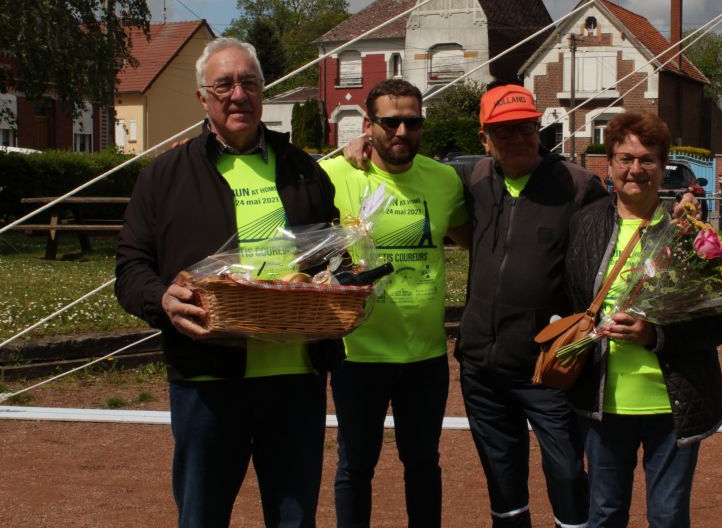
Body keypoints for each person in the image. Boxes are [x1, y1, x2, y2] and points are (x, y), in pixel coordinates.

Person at [115, 37, 340, 528]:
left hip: (294, 378)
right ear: (203, 98)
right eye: (224, 84)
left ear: (262, 91)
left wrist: (342, 280)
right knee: (202, 518)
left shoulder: (304, 170)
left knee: (295, 519)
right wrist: (161, 300)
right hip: (207, 381)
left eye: (249, 82)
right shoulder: (164, 176)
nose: (238, 95)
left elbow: (334, 257)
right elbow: (130, 268)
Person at [564, 111, 722, 528]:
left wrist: (655, 334)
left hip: (672, 403)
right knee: (605, 514)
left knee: (667, 517)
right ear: (608, 165)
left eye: (648, 159)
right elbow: (566, 299)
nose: (636, 169)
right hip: (603, 403)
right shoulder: (584, 226)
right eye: (625, 158)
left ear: (664, 167)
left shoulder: (692, 235)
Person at [452, 84, 609, 528]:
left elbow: (618, 239)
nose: (517, 138)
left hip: (549, 368)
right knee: (503, 482)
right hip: (482, 368)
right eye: (503, 131)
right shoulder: (475, 180)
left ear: (539, 129)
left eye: (525, 127)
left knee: (565, 474)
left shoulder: (578, 188)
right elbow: (410, 166)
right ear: (485, 138)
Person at [320, 78, 470, 528]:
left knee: (423, 464)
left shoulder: (444, 180)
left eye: (412, 121)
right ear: (369, 125)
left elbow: (471, 237)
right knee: (355, 467)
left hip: (424, 355)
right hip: (357, 353)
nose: (402, 131)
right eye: (390, 122)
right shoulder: (335, 175)